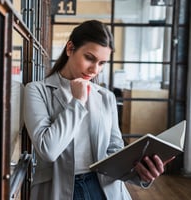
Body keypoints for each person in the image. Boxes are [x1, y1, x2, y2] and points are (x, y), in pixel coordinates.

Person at [23, 20, 173, 200]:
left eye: (102, 63)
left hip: (105, 188)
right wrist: (78, 101)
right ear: (70, 48)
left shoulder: (105, 97)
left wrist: (142, 172)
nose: (95, 70)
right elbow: (48, 149)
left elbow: (115, 151)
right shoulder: (37, 90)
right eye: (90, 58)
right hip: (59, 189)